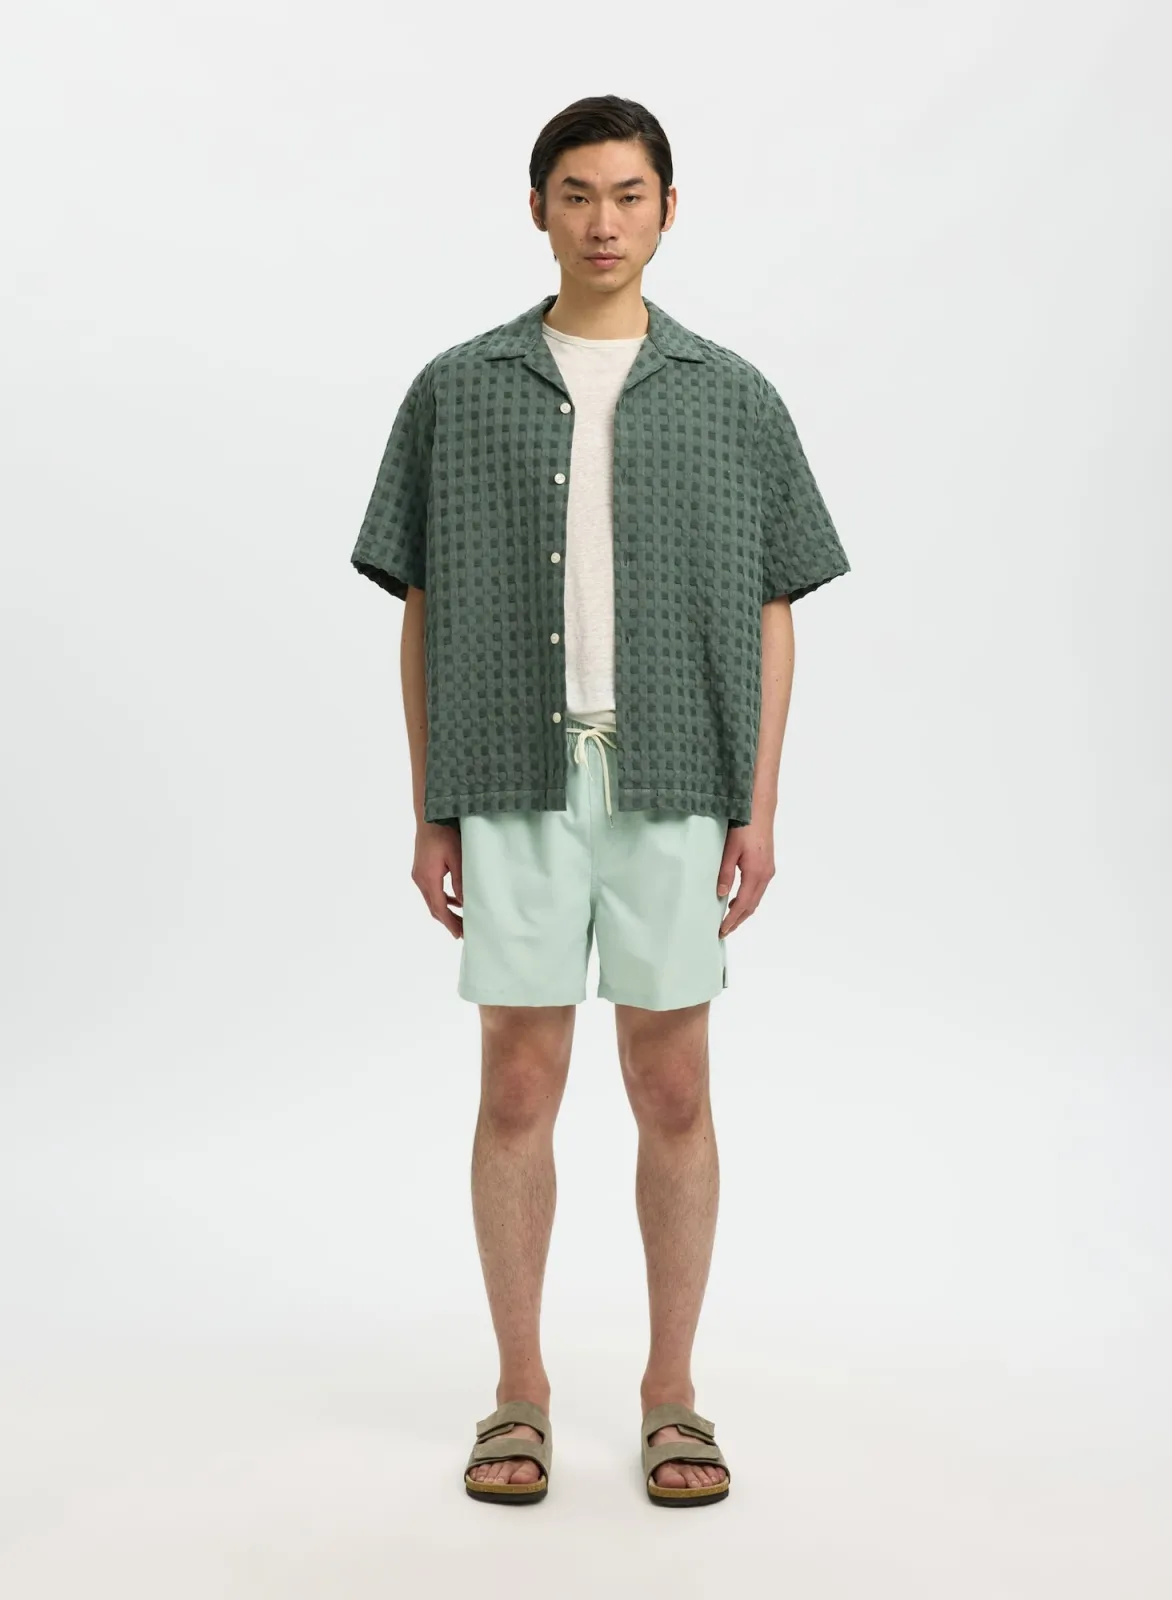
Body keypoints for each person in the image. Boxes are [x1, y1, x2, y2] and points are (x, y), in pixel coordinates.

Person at [350, 94, 850, 1507]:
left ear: (668, 210)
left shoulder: (733, 395)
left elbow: (775, 608)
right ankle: (518, 1391)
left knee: (672, 1082)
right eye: (577, 194)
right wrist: (430, 802)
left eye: (629, 195)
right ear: (538, 210)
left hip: (677, 769)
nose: (604, 221)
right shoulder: (458, 388)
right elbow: (421, 605)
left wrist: (758, 803)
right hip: (510, 769)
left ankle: (671, 1393)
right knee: (518, 1077)